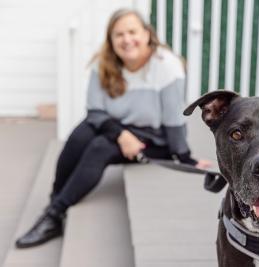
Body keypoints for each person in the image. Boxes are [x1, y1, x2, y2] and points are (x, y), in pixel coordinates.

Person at [15, 8, 211, 248]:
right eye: (119, 35)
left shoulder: (166, 66)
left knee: (99, 146)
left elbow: (173, 119)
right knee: (80, 135)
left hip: (154, 139)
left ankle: (54, 213)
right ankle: (55, 202)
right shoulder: (104, 64)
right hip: (118, 127)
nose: (127, 40)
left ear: (148, 34)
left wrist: (185, 157)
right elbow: (95, 112)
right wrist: (121, 135)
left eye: (132, 32)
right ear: (111, 40)